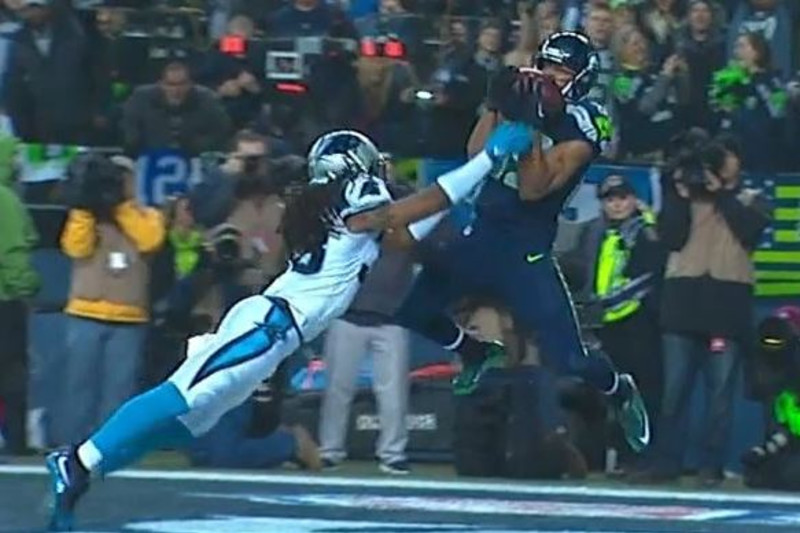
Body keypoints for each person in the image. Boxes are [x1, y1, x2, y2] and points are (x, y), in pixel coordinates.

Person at [44, 125, 534, 531]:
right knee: (182, 396)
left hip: (274, 331)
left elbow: (402, 234)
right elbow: (403, 214)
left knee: (190, 419)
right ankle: (78, 460)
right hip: (269, 326)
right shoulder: (354, 196)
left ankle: (88, 470)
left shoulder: (335, 210)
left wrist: (462, 193)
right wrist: (485, 162)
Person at [396, 31, 650, 455]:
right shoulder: (521, 94)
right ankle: (476, 352)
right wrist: (499, 108)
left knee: (572, 360)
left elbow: (534, 189)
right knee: (415, 310)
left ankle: (618, 389)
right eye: (547, 67)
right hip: (483, 234)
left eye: (562, 73)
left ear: (581, 80)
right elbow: (475, 153)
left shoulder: (584, 122)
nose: (550, 78)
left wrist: (529, 126)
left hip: (526, 252)